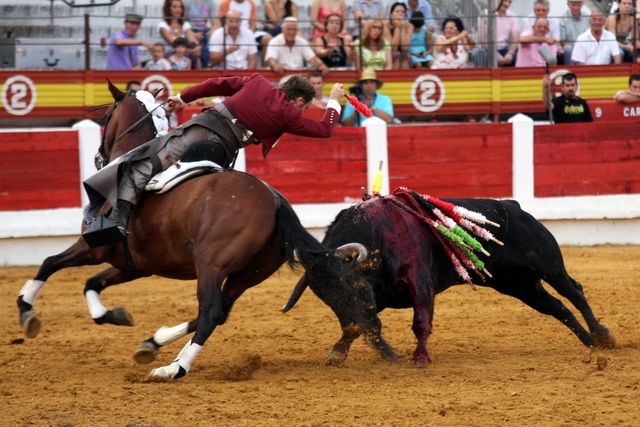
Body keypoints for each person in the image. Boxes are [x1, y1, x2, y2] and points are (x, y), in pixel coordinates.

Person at [82, 74, 346, 246]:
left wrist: (182, 97)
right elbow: (325, 129)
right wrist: (334, 103)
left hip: (202, 130)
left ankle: (116, 217)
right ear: (299, 100)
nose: (301, 112)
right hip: (224, 151)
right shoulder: (291, 114)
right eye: (304, 107)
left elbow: (215, 84)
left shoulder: (257, 81)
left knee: (147, 161)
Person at [158, 0, 202, 69]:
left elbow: (192, 40)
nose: (178, 9)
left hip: (183, 55)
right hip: (168, 56)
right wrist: (192, 51)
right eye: (174, 7)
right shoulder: (163, 25)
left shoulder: (185, 24)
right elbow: (175, 45)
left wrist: (198, 47)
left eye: (180, 7)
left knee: (193, 45)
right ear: (168, 9)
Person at [184, 0, 220, 69]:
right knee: (197, 47)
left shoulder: (210, 3)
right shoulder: (186, 2)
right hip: (189, 31)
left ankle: (206, 67)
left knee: (208, 48)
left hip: (204, 32)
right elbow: (183, 22)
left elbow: (215, 24)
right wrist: (193, 34)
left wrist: (211, 32)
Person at [559, 0, 590, 65]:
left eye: (578, 5)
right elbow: (562, 41)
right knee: (567, 49)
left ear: (582, 5)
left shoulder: (587, 17)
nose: (576, 8)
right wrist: (576, 46)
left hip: (585, 46)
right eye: (573, 5)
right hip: (570, 46)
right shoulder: (562, 18)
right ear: (568, 5)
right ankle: (570, 72)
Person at [384, 2, 412, 69]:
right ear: (391, 15)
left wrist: (402, 27)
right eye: (397, 11)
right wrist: (397, 28)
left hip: (402, 52)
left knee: (404, 59)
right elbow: (393, 48)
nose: (400, 14)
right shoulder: (385, 25)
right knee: (396, 59)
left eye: (403, 12)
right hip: (388, 51)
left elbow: (405, 47)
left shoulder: (409, 26)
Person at [495, 0, 519, 67]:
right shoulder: (485, 14)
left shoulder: (512, 16)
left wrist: (510, 53)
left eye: (510, 2)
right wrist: (495, 54)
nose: (507, 4)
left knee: (517, 59)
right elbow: (483, 41)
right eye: (505, 1)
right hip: (488, 50)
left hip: (504, 49)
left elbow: (515, 38)